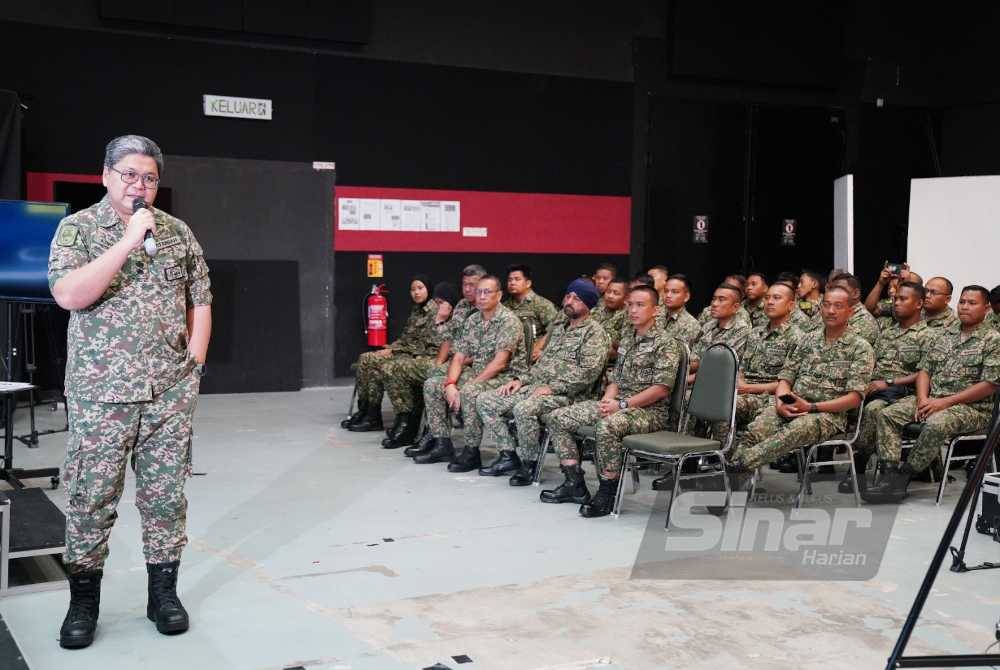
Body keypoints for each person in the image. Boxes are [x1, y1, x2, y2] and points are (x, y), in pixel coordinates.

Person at [47, 135, 212, 648]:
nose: (140, 186)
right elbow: (69, 295)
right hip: (101, 394)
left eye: (150, 178)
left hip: (168, 393)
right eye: (130, 175)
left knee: (165, 498)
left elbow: (200, 300)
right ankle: (83, 600)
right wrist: (126, 239)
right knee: (91, 497)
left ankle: (163, 593)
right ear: (105, 175)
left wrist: (194, 367)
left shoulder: (177, 232)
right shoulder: (77, 229)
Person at [542, 286, 682, 518]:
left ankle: (608, 491)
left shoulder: (666, 343)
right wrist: (609, 397)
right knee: (558, 417)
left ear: (655, 310)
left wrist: (622, 405)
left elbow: (660, 389)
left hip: (650, 412)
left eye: (640, 305)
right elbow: (616, 378)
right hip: (618, 404)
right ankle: (574, 484)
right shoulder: (628, 337)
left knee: (607, 426)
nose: (633, 310)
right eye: (630, 305)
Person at [653, 281, 799, 491]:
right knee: (700, 402)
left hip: (767, 395)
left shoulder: (797, 338)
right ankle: (689, 466)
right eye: (767, 298)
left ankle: (723, 470)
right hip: (739, 390)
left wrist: (746, 387)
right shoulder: (755, 333)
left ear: (791, 305)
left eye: (776, 298)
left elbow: (788, 383)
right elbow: (737, 366)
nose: (769, 302)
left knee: (720, 408)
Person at [863, 286, 1000, 503]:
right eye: (962, 301)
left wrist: (944, 402)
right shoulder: (944, 334)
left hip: (974, 409)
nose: (965, 306)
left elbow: (990, 384)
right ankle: (889, 476)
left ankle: (904, 476)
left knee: (936, 423)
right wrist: (922, 399)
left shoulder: (993, 339)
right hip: (933, 398)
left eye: (972, 303)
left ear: (986, 307)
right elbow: (924, 371)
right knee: (887, 414)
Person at [728, 286, 875, 482]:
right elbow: (785, 379)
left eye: (838, 306)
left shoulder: (860, 348)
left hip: (827, 415)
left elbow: (854, 398)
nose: (831, 311)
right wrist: (780, 403)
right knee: (755, 431)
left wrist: (812, 407)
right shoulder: (807, 340)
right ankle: (733, 481)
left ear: (850, 311)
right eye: (827, 305)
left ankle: (738, 466)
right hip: (790, 404)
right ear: (821, 308)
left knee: (793, 432)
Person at [476, 279, 609, 484]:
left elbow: (587, 373)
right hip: (538, 388)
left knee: (524, 408)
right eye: (568, 296)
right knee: (485, 400)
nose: (569, 301)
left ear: (588, 304)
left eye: (577, 298)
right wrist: (520, 380)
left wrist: (552, 388)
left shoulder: (595, 333)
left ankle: (529, 464)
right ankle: (508, 455)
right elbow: (541, 365)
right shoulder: (559, 328)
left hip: (571, 397)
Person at [417, 275, 526, 471]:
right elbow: (458, 357)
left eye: (487, 292)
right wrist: (450, 384)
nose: (481, 296)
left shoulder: (508, 321)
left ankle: (471, 450)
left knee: (469, 392)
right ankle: (442, 444)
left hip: (504, 377)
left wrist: (470, 384)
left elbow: (500, 363)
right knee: (433, 384)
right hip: (478, 373)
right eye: (479, 292)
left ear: (499, 295)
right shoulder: (474, 319)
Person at [841, 282, 929, 493]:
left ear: (919, 304)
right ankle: (866, 472)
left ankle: (863, 470)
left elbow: (926, 372)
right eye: (895, 298)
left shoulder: (929, 335)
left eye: (903, 299)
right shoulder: (887, 331)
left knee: (874, 410)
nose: (896, 303)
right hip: (876, 389)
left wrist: (889, 383)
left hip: (903, 392)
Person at [399, 265, 487, 457]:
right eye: (465, 284)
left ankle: (432, 433)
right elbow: (448, 336)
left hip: (478, 367)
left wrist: (453, 372)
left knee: (435, 377)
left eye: (473, 285)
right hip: (459, 361)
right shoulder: (463, 306)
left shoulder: (489, 309)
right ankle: (439, 440)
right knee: (431, 380)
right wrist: (440, 319)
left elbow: (488, 352)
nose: (468, 289)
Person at [343, 275, 437, 432]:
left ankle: (374, 417)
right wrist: (392, 347)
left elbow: (421, 345)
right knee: (366, 358)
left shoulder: (433, 311)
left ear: (428, 289)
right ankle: (368, 412)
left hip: (419, 356)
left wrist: (393, 350)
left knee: (375, 363)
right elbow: (406, 338)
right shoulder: (416, 310)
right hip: (406, 351)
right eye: (413, 289)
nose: (416, 293)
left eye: (420, 288)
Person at [380, 282, 459, 449]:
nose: (436, 306)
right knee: (391, 367)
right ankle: (406, 421)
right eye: (436, 302)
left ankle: (426, 430)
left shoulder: (454, 315)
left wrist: (441, 320)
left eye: (440, 303)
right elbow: (421, 341)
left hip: (450, 363)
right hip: (433, 359)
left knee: (425, 377)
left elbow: (449, 347)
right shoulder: (434, 314)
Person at [688, 284, 751, 385]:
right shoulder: (708, 326)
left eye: (721, 300)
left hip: (719, 383)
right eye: (714, 299)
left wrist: (685, 380)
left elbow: (721, 365)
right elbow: (695, 359)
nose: (714, 304)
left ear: (735, 307)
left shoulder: (741, 329)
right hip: (697, 379)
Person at [502, 264, 558, 362]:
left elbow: (556, 329)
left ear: (528, 283)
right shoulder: (504, 306)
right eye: (510, 280)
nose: (512, 283)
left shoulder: (541, 304)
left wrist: (540, 348)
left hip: (532, 358)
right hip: (509, 357)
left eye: (517, 279)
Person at [828, 273, 880, 346]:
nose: (835, 293)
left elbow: (839, 351)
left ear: (855, 293)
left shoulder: (865, 322)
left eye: (840, 289)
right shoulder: (833, 313)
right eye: (832, 290)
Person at [659, 274, 702, 348]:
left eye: (674, 292)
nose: (668, 295)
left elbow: (683, 356)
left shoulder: (692, 325)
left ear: (686, 297)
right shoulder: (656, 316)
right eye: (666, 291)